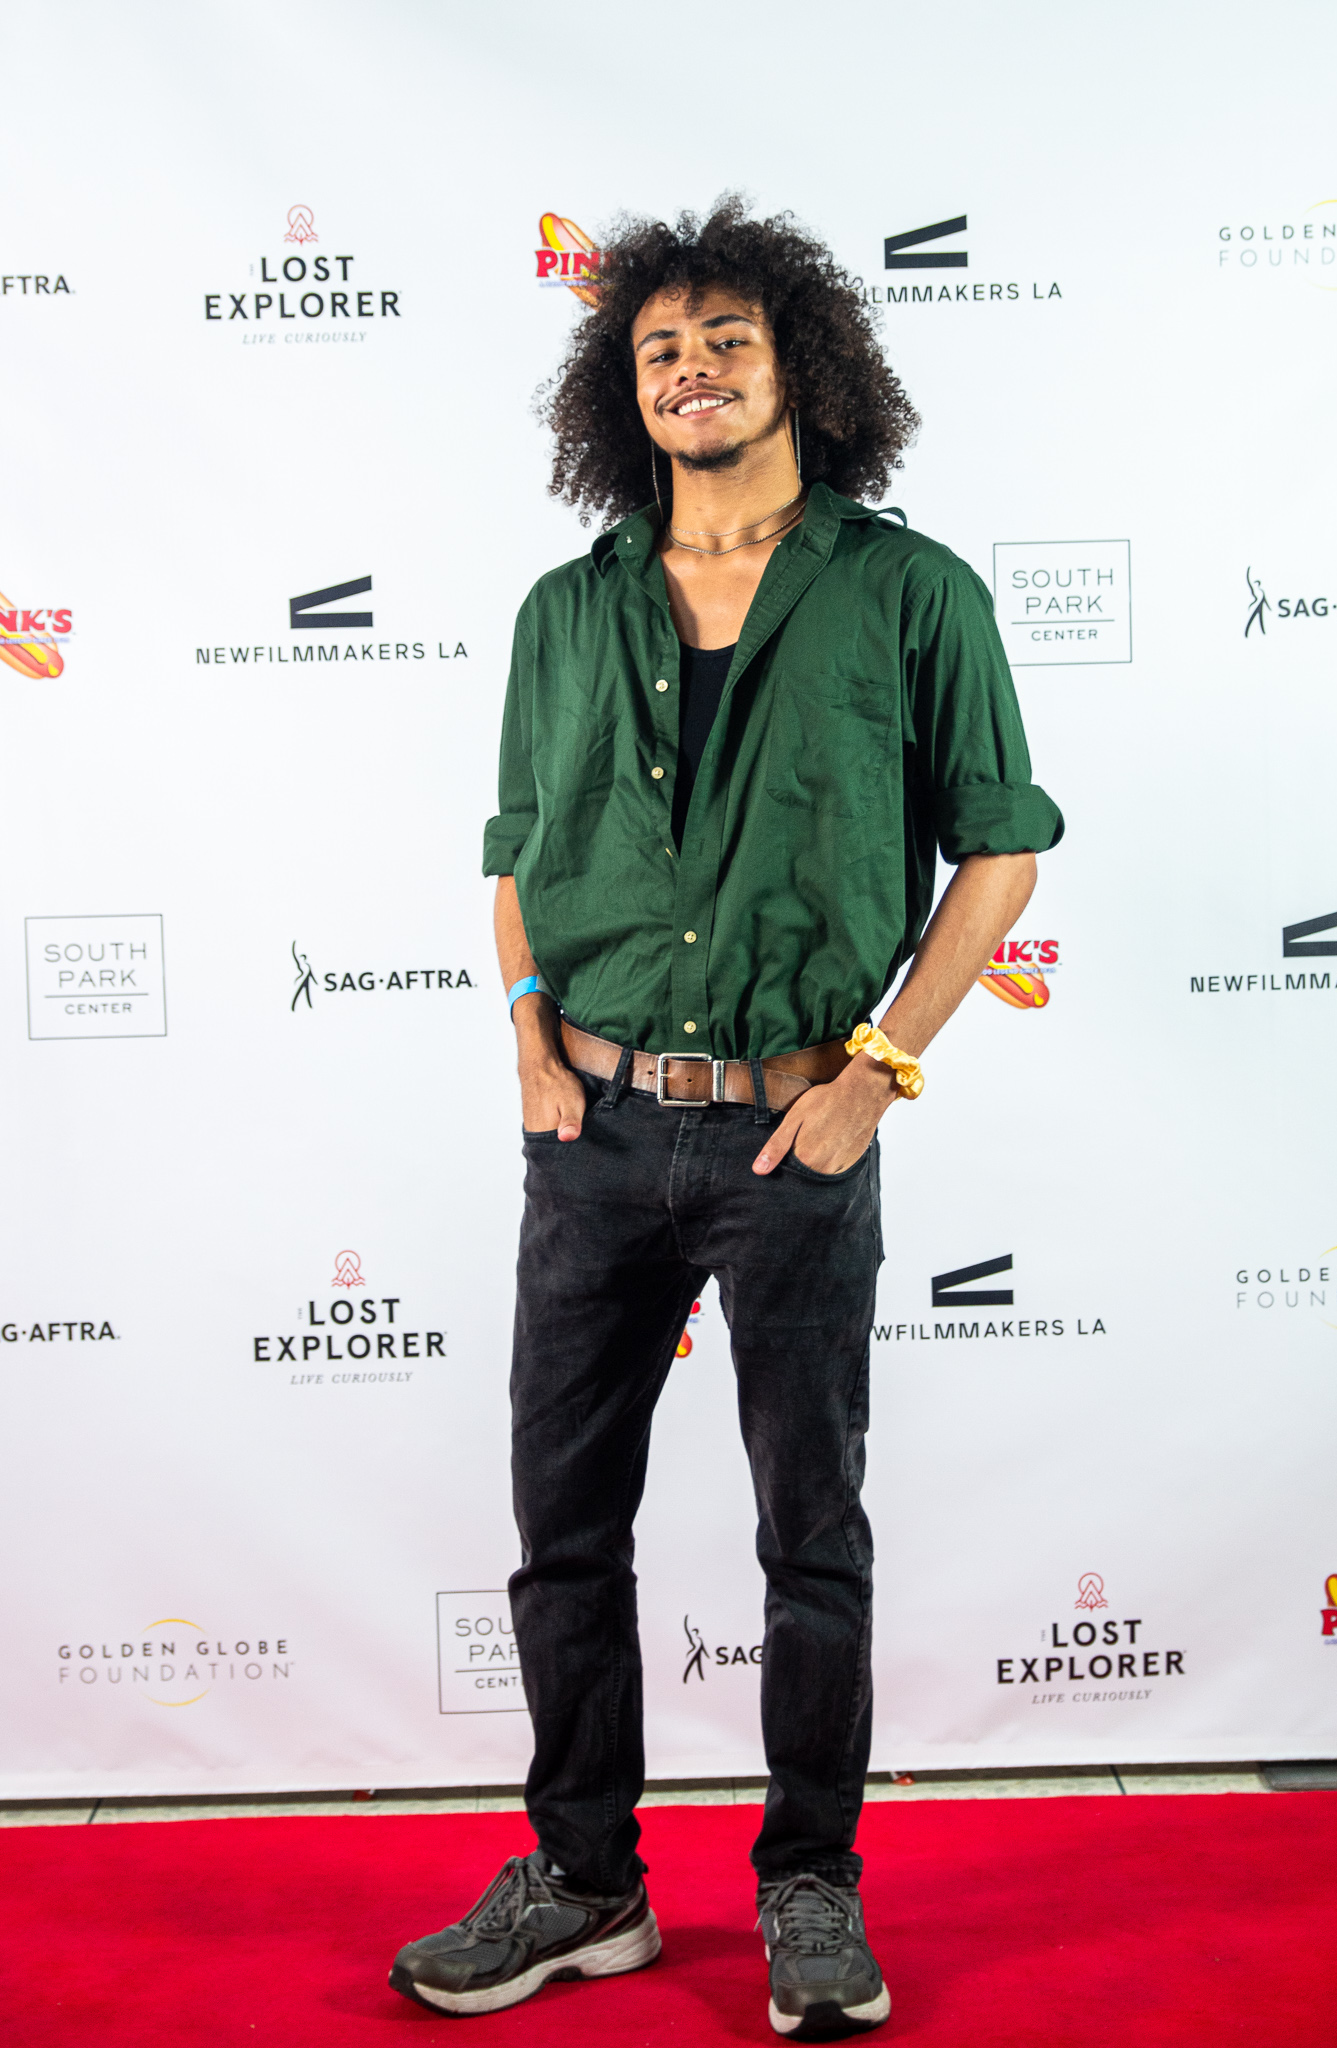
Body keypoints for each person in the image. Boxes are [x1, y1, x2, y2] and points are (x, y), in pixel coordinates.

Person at [389, 198, 1062, 2036]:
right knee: (562, 1527)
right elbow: (514, 849)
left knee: (809, 1537)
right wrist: (530, 1044)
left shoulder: (909, 593)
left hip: (793, 1141)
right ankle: (583, 1883)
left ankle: (810, 1888)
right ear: (621, 389)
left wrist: (876, 1074)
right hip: (590, 1134)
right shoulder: (564, 609)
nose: (690, 369)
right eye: (658, 348)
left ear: (803, 367)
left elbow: (1001, 852)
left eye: (726, 340)